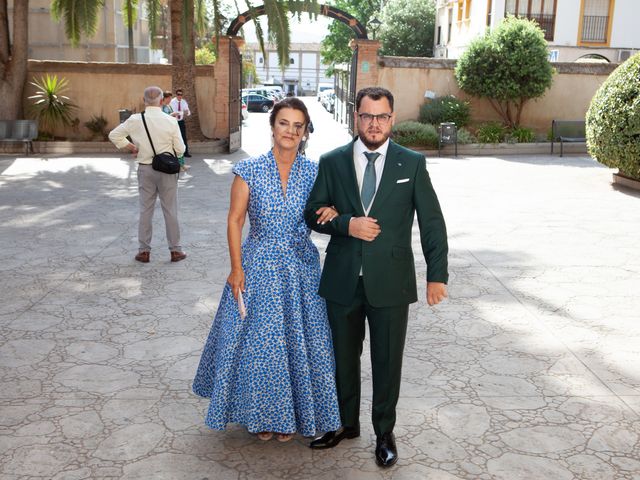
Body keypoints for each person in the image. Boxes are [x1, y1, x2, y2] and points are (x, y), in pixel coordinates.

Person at [304, 87, 449, 467]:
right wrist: (347, 224)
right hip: (342, 280)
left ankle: (384, 432)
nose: (374, 124)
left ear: (392, 119)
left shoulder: (411, 163)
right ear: (356, 118)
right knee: (341, 358)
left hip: (391, 281)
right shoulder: (332, 161)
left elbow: (432, 223)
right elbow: (313, 211)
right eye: (367, 116)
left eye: (381, 117)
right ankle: (344, 424)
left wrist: (438, 275)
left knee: (387, 362)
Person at [192, 97, 342, 442]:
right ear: (272, 126)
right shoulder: (250, 170)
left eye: (297, 125)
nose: (290, 131)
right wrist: (235, 268)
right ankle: (264, 416)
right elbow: (234, 219)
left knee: (300, 344)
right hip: (259, 266)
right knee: (263, 345)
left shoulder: (315, 171)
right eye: (284, 123)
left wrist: (332, 211)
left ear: (305, 132)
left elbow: (326, 209)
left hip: (301, 269)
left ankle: (293, 414)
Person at [108, 86, 187, 263]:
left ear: (144, 101)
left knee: (145, 210)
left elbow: (114, 135)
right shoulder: (170, 121)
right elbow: (181, 149)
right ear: (161, 101)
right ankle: (175, 251)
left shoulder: (135, 120)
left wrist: (132, 147)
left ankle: (144, 251)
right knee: (170, 210)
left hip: (145, 169)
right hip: (167, 171)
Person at [169, 88, 191, 157]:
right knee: (173, 137)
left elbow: (188, 111)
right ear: (176, 95)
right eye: (178, 94)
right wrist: (181, 112)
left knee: (183, 137)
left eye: (181, 95)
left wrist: (187, 112)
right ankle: (174, 153)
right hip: (174, 122)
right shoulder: (172, 102)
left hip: (181, 122)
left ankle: (186, 153)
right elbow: (173, 112)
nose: (180, 96)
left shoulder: (183, 102)